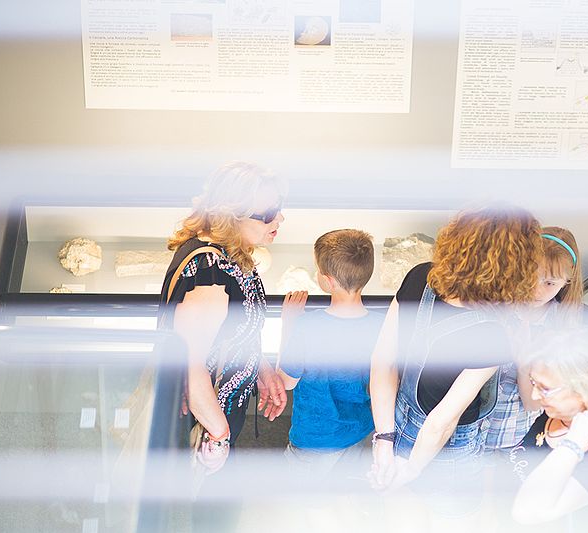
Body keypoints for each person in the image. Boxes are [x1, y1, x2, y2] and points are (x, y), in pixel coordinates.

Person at [368, 205, 544, 514]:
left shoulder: (420, 276)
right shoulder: (493, 331)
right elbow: (442, 421)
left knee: (397, 513)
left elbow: (383, 362)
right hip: (444, 451)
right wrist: (411, 471)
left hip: (395, 423)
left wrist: (384, 441)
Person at [158, 161, 289, 472]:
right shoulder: (211, 274)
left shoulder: (231, 252)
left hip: (220, 405)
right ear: (232, 215)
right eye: (268, 214)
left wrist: (261, 369)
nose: (280, 218)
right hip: (202, 421)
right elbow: (189, 367)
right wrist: (219, 436)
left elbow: (230, 331)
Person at [277, 229, 385, 481]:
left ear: (327, 281)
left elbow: (285, 382)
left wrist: (288, 324)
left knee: (304, 501)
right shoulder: (382, 326)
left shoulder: (308, 326)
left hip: (315, 438)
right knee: (348, 495)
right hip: (362, 432)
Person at [509, 328, 588, 526]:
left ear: (584, 389)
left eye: (545, 389)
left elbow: (527, 513)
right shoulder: (559, 412)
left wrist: (573, 445)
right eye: (534, 382)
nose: (535, 395)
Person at [484, 227, 583, 454]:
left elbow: (533, 404)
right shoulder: (498, 304)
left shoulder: (561, 329)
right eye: (530, 276)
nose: (535, 290)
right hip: (465, 428)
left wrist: (523, 363)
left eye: (549, 283)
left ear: (566, 281)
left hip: (508, 435)